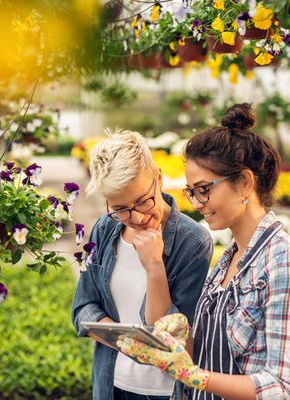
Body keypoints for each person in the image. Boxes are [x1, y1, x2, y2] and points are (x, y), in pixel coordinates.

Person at [118, 104, 290, 400]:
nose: (196, 203)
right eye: (191, 192)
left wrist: (193, 376)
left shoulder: (287, 266)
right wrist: (174, 338)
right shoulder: (227, 261)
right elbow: (203, 354)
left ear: (244, 183)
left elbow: (283, 387)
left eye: (204, 189)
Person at [72, 129, 213, 400]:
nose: (135, 217)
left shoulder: (193, 243)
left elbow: (172, 339)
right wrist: (128, 344)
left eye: (142, 201)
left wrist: (154, 268)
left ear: (158, 178)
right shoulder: (104, 229)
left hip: (163, 391)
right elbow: (82, 308)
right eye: (121, 208)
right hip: (110, 384)